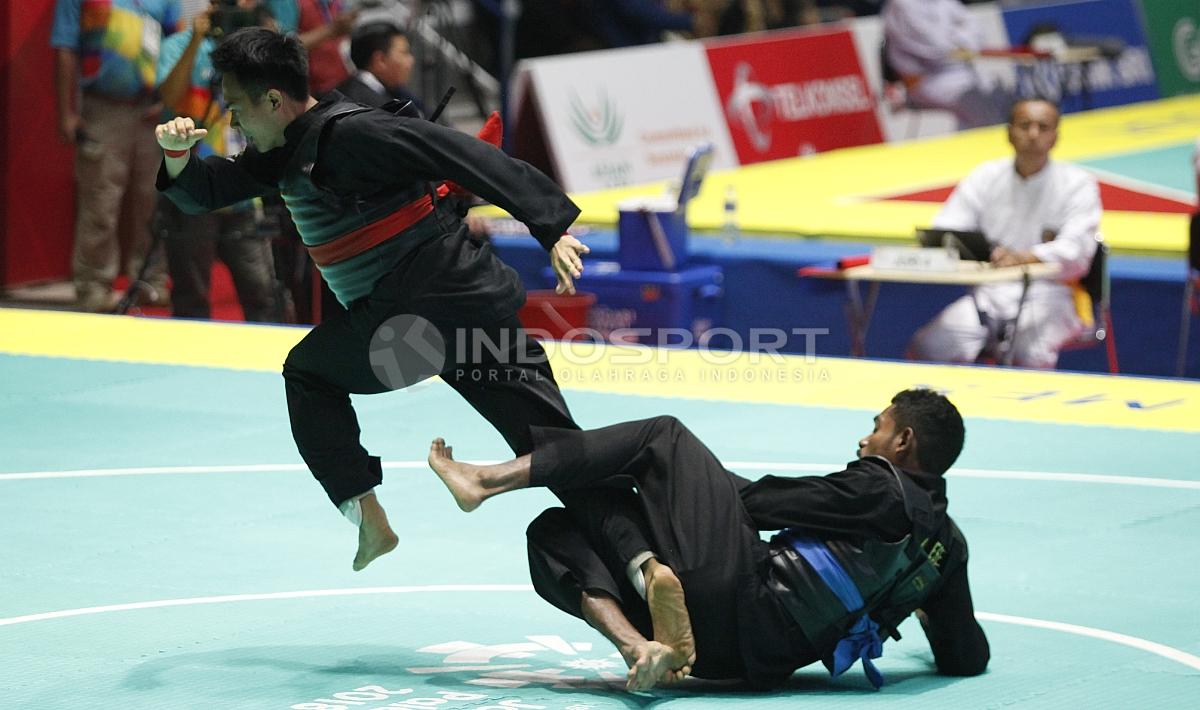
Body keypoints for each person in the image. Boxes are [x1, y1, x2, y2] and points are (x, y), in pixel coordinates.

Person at [154, 27, 591, 571]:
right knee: (557, 448)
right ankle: (649, 559)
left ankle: (367, 515)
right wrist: (178, 157)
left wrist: (550, 226)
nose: (232, 120)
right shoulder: (283, 150)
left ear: (272, 99)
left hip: (418, 327)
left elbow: (465, 153)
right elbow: (210, 189)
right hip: (472, 310)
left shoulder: (356, 133)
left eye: (237, 106)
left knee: (310, 374)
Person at [425, 389, 990, 691]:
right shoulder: (947, 549)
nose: (865, 439)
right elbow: (965, 657)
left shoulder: (881, 487)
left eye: (878, 428)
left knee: (660, 438)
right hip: (745, 665)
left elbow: (755, 505)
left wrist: (672, 483)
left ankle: (489, 478)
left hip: (745, 598)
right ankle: (641, 646)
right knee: (558, 528)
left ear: (904, 441)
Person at [908, 98, 1100, 368]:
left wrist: (1024, 257)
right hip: (988, 294)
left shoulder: (1078, 184)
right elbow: (947, 228)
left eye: (1043, 127)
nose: (1033, 134)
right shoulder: (985, 176)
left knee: (1029, 352)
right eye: (1024, 125)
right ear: (1009, 132)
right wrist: (967, 249)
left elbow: (1077, 250)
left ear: (1055, 137)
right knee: (930, 346)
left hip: (1054, 296)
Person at [51, 0, 183, 312]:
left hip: (152, 112)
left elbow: (175, 46)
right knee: (100, 202)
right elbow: (64, 48)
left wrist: (166, 99)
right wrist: (66, 112)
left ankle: (150, 280)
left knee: (153, 201)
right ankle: (94, 286)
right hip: (102, 107)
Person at [155, 1, 281, 322]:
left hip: (243, 186)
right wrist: (196, 40)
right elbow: (169, 96)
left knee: (263, 295)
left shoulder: (250, 49)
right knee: (191, 298)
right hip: (196, 186)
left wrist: (272, 45)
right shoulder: (178, 45)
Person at [882, 0, 1007, 129]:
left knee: (999, 96)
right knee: (978, 103)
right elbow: (936, 46)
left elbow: (974, 25)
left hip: (958, 72)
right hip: (927, 79)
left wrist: (959, 41)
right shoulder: (902, 5)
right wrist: (962, 38)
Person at [336, 22, 420, 112]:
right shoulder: (369, 107)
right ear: (381, 60)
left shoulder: (397, 94)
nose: (411, 60)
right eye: (404, 53)